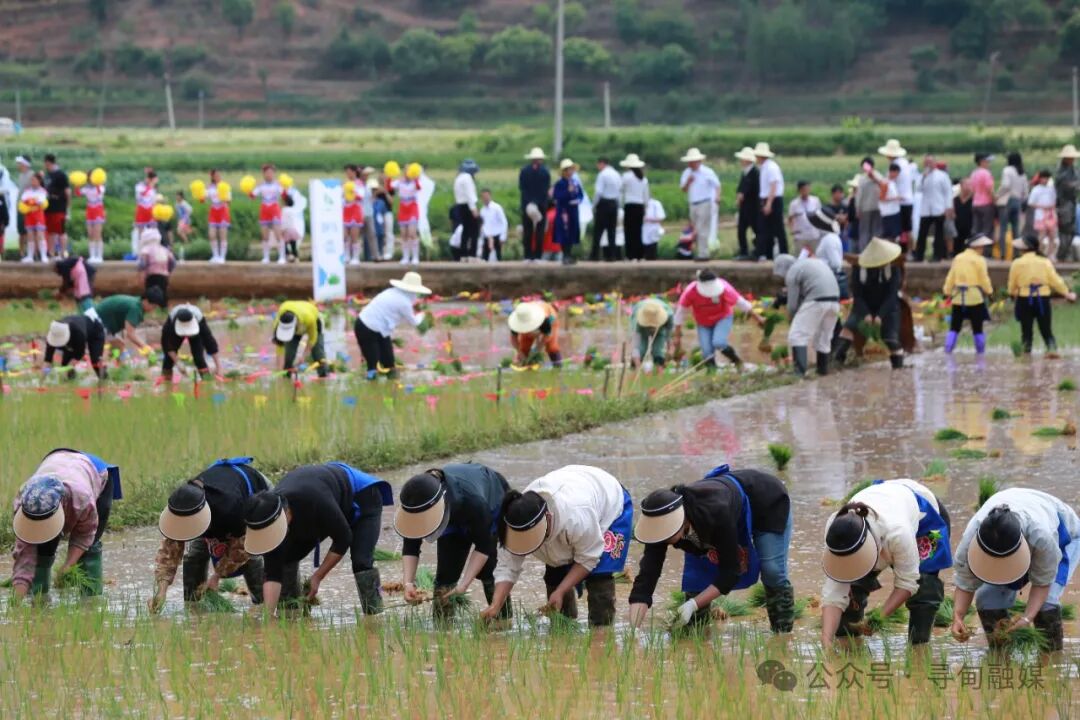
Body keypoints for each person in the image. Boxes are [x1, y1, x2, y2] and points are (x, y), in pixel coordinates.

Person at [629, 464, 793, 632]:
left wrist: (692, 605)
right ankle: (696, 634)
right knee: (697, 579)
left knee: (772, 570)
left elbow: (730, 572)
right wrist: (632, 631)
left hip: (767, 502)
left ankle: (782, 633)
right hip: (714, 516)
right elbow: (647, 577)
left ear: (681, 520)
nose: (663, 539)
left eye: (666, 531)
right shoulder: (659, 524)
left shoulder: (715, 513)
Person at [482, 465, 632, 627]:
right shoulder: (517, 519)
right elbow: (507, 567)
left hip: (609, 502)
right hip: (574, 488)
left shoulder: (576, 516)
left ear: (548, 517)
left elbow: (589, 558)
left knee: (599, 579)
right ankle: (564, 626)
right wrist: (496, 604)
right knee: (555, 574)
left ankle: (601, 632)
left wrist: (561, 591)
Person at [243, 463, 393, 613]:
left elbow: (343, 538)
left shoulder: (314, 500)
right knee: (284, 557)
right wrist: (269, 617)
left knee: (361, 561)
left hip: (361, 496)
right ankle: (293, 612)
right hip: (323, 506)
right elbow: (272, 573)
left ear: (286, 513)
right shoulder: (268, 515)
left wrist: (317, 577)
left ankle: (375, 615)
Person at [820, 478, 952, 650]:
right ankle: (851, 646)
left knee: (925, 587)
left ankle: (919, 648)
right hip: (883, 501)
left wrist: (879, 617)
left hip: (923, 516)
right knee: (853, 592)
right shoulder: (836, 529)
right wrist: (826, 642)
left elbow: (907, 583)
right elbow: (834, 593)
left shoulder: (898, 532)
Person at [950, 488, 1080, 652]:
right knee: (988, 600)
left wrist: (1027, 618)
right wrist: (958, 616)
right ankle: (1002, 655)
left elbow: (1042, 583)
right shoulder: (970, 539)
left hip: (1064, 537)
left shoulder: (1041, 536)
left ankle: (1052, 658)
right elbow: (965, 582)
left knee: (1046, 605)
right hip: (1019, 517)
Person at [151, 457, 271, 612]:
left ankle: (264, 604)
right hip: (214, 502)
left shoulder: (231, 509)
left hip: (255, 491)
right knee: (195, 554)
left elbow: (244, 548)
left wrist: (216, 576)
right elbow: (169, 552)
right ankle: (193, 605)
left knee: (252, 558)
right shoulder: (184, 503)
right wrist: (161, 592)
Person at [394, 464, 511, 621]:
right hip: (453, 514)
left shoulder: (473, 502)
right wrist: (408, 583)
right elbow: (411, 545)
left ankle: (502, 621)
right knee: (446, 576)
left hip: (489, 500)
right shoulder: (417, 500)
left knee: (489, 569)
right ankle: (443, 627)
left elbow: (484, 547)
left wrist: (463, 586)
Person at [10, 449, 121, 599]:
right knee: (42, 545)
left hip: (95, 471)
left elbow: (85, 535)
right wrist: (16, 601)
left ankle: (90, 600)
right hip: (56, 461)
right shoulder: (23, 502)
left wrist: (68, 565)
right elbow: (24, 555)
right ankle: (38, 594)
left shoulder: (82, 499)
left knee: (90, 546)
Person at [834, 238, 905, 369]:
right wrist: (866, 314)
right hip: (863, 306)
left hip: (888, 308)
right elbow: (858, 295)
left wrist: (879, 316)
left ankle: (898, 368)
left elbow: (891, 296)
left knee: (891, 340)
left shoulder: (894, 269)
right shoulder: (858, 268)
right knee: (847, 331)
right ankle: (837, 364)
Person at [674, 269, 764, 370]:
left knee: (719, 342)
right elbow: (680, 313)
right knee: (707, 352)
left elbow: (742, 303)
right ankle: (712, 373)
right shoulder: (690, 291)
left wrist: (758, 318)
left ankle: (738, 362)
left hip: (723, 318)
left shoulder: (724, 288)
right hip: (703, 322)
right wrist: (677, 336)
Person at [1008, 233, 1077, 354]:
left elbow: (1012, 285)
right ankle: (1053, 352)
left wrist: (1013, 294)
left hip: (1025, 300)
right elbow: (1056, 281)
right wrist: (1067, 294)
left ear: (1023, 249)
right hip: (1043, 300)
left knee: (1026, 333)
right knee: (1046, 331)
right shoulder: (1045, 262)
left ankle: (1026, 359)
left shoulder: (1017, 263)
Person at [773, 252, 840, 376]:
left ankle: (799, 373)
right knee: (824, 338)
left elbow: (793, 306)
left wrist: (792, 319)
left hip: (816, 300)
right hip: (834, 301)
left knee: (797, 335)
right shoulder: (809, 264)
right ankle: (822, 371)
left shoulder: (792, 272)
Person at [355, 271, 431, 379]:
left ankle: (392, 386)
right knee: (373, 365)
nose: (416, 295)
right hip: (366, 328)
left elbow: (399, 317)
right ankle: (371, 389)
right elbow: (415, 323)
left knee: (389, 362)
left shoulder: (391, 291)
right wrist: (424, 316)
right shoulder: (404, 303)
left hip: (380, 330)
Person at [942, 234, 993, 354]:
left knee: (954, 327)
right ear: (978, 247)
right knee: (977, 328)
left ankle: (948, 350)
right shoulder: (980, 260)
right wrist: (990, 292)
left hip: (958, 298)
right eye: (982, 247)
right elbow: (984, 279)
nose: (983, 249)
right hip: (974, 298)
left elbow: (951, 277)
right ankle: (980, 353)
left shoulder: (958, 258)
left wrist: (947, 292)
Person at [679, 148, 721, 261]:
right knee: (695, 229)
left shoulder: (707, 172)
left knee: (703, 228)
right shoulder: (687, 173)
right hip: (693, 203)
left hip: (704, 202)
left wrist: (717, 196)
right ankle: (698, 251)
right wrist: (688, 182)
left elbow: (717, 184)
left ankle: (704, 253)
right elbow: (683, 189)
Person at [91, 289, 163, 355]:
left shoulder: (137, 302)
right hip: (95, 320)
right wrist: (146, 348)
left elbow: (125, 326)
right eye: (153, 306)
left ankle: (117, 366)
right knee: (104, 349)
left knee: (118, 346)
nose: (153, 309)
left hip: (100, 320)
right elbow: (130, 334)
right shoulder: (135, 308)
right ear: (146, 301)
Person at [161, 303, 220, 381]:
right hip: (175, 332)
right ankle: (166, 381)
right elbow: (167, 345)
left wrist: (218, 367)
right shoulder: (170, 325)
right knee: (168, 359)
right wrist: (178, 363)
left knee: (199, 358)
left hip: (196, 334)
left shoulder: (200, 321)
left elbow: (210, 343)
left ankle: (207, 380)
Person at [272, 300, 328, 379]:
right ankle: (286, 378)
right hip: (296, 322)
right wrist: (279, 370)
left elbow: (312, 339)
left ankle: (323, 376)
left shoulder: (309, 318)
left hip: (314, 322)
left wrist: (303, 356)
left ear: (297, 323)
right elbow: (279, 346)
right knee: (289, 356)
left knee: (318, 353)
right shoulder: (279, 321)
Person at [43, 314, 106, 380]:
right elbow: (47, 361)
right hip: (76, 333)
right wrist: (41, 381)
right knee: (65, 364)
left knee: (95, 361)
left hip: (95, 330)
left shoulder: (78, 333)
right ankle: (70, 381)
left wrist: (67, 368)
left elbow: (79, 354)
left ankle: (105, 381)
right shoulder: (54, 333)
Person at [915, 154, 953, 262]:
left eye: (930, 162)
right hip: (926, 209)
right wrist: (923, 177)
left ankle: (938, 255)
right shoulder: (921, 176)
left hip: (939, 208)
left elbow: (948, 192)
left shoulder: (942, 175)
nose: (928, 164)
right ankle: (919, 255)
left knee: (939, 234)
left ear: (934, 163)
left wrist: (948, 207)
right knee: (922, 233)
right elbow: (918, 189)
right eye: (926, 162)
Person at [878, 139, 914, 247]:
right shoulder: (905, 162)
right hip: (908, 199)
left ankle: (903, 251)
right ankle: (910, 250)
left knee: (900, 230)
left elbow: (887, 182)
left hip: (899, 202)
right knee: (907, 229)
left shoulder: (895, 166)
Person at [754, 142, 786, 260]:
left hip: (773, 199)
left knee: (778, 228)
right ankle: (766, 253)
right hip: (766, 198)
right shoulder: (764, 167)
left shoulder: (771, 167)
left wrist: (769, 203)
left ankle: (783, 253)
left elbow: (774, 185)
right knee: (765, 228)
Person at [519, 147, 551, 262]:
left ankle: (527, 255)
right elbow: (545, 190)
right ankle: (537, 256)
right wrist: (536, 203)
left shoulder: (524, 171)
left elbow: (522, 188)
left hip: (526, 204)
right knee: (539, 231)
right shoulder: (545, 172)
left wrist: (529, 203)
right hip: (541, 205)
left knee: (527, 231)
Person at [507, 300, 562, 367]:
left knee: (552, 347)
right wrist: (519, 352)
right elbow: (513, 338)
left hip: (550, 318)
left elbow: (547, 335)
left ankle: (558, 367)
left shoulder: (545, 318)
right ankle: (526, 366)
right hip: (534, 319)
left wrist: (538, 348)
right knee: (524, 348)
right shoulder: (516, 319)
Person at [252, 164, 286, 264]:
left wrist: (285, 189)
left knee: (277, 233)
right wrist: (248, 189)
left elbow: (285, 196)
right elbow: (253, 195)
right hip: (264, 210)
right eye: (266, 173)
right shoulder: (261, 185)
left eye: (271, 172)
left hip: (274, 210)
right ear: (263, 174)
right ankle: (266, 257)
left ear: (274, 174)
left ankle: (282, 257)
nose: (269, 174)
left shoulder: (278, 185)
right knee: (264, 234)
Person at [995, 152, 1027, 257]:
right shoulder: (1022, 172)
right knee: (1016, 230)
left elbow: (1006, 185)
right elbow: (1025, 191)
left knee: (1003, 228)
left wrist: (998, 195)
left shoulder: (1007, 170)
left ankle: (1003, 254)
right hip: (1017, 201)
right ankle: (1016, 254)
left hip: (1007, 201)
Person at [553, 159, 583, 265]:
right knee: (564, 233)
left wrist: (578, 200)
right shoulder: (560, 183)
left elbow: (580, 194)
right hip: (564, 211)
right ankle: (565, 255)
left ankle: (569, 254)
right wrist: (567, 192)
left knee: (572, 232)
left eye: (571, 169)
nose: (570, 172)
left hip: (573, 210)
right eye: (568, 170)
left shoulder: (575, 182)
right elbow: (557, 196)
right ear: (564, 171)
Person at [630, 297, 674, 370]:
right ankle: (634, 368)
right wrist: (638, 365)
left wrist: (670, 351)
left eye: (653, 326)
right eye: (650, 326)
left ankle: (659, 369)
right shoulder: (637, 319)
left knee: (658, 350)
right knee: (641, 349)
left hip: (660, 329)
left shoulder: (668, 315)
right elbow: (635, 345)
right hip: (642, 329)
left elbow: (669, 336)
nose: (652, 329)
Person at [591, 157, 622, 261]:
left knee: (598, 231)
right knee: (611, 231)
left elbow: (598, 192)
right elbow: (619, 192)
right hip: (614, 204)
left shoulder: (602, 174)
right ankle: (611, 256)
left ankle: (594, 255)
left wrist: (593, 205)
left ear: (602, 163)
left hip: (604, 204)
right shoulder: (616, 174)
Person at [620, 153, 648, 262]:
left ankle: (630, 255)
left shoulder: (626, 176)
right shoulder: (643, 178)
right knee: (638, 231)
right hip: (640, 206)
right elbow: (646, 195)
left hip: (630, 205)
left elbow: (621, 191)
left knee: (629, 231)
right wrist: (645, 208)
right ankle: (640, 255)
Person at [394, 163, 423, 265]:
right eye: (405, 170)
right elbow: (390, 186)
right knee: (403, 234)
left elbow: (419, 188)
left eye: (409, 170)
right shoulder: (400, 182)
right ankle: (405, 257)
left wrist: (416, 178)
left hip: (412, 208)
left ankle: (415, 256)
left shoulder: (416, 182)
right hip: (403, 208)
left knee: (412, 233)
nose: (407, 172)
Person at [1055, 144, 1080, 262]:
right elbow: (1066, 184)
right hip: (1063, 205)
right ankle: (1063, 254)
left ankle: (1066, 253)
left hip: (1071, 203)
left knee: (1071, 229)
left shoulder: (1073, 170)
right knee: (1065, 229)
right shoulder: (1061, 171)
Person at [137, 227, 176, 302]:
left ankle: (151, 308)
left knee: (151, 294)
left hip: (151, 275)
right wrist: (168, 271)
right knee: (163, 293)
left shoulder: (146, 249)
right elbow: (173, 262)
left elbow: (143, 264)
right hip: (164, 275)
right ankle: (163, 309)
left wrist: (140, 272)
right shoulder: (164, 249)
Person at [43, 154, 71, 258]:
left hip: (59, 208)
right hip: (48, 208)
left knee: (61, 231)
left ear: (48, 163)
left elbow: (68, 192)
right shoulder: (47, 175)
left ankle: (63, 252)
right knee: (50, 232)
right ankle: (51, 252)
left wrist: (67, 210)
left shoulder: (61, 175)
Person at [452, 159, 480, 262]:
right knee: (474, 231)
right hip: (468, 206)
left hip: (460, 206)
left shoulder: (458, 178)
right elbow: (470, 194)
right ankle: (472, 255)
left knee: (465, 231)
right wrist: (474, 209)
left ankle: (463, 255)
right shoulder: (467, 178)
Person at [734, 147, 759, 260]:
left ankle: (758, 251)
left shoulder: (754, 173)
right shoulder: (745, 172)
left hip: (752, 206)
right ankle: (743, 251)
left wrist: (740, 196)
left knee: (756, 230)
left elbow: (747, 189)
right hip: (745, 207)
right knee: (741, 230)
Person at [1027, 169, 1059, 259]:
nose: (1045, 180)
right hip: (1040, 215)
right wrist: (1042, 206)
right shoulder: (1036, 189)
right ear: (1040, 179)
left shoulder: (1051, 189)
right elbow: (1031, 203)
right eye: (1043, 178)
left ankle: (1050, 254)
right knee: (1042, 235)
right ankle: (1040, 253)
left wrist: (1052, 206)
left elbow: (1055, 200)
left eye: (1047, 178)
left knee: (1052, 235)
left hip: (1051, 214)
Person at [76, 174, 107, 264]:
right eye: (89, 178)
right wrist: (77, 184)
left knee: (97, 234)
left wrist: (97, 182)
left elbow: (99, 192)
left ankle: (99, 256)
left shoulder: (101, 187)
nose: (90, 180)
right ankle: (92, 256)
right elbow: (78, 194)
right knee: (90, 234)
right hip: (89, 212)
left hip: (98, 211)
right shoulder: (87, 188)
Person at [20, 171, 49, 262]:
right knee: (30, 236)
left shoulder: (43, 191)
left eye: (34, 180)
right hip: (29, 215)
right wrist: (32, 201)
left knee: (40, 235)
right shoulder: (27, 190)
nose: (32, 181)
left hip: (38, 215)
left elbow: (41, 201)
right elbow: (23, 200)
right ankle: (30, 256)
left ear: (39, 181)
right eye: (31, 180)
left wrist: (31, 201)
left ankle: (44, 256)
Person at [854, 157, 882, 252]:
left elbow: (859, 195)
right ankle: (874, 251)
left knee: (864, 232)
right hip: (877, 207)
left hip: (866, 209)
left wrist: (858, 209)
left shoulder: (862, 179)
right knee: (876, 231)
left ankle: (865, 252)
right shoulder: (879, 176)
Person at [205, 169, 231, 263]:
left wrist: (225, 200)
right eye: (215, 175)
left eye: (219, 175)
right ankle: (215, 255)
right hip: (213, 211)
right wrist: (201, 195)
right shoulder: (209, 187)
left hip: (223, 210)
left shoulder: (224, 186)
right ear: (212, 177)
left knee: (222, 234)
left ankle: (222, 257)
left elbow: (229, 200)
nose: (217, 177)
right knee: (211, 234)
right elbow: (203, 198)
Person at [787, 180, 822, 251]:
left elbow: (820, 216)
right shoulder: (794, 204)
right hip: (800, 236)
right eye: (804, 190)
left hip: (814, 235)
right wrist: (792, 230)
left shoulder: (815, 201)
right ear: (799, 190)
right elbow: (790, 218)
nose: (806, 191)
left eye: (807, 189)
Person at [970, 153, 996, 240]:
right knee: (987, 230)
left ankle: (975, 249)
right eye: (987, 161)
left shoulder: (973, 173)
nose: (989, 163)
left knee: (976, 230)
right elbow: (990, 190)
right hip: (986, 205)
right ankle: (986, 252)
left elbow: (972, 190)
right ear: (982, 162)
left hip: (975, 204)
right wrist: (995, 200)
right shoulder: (986, 173)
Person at [343, 164, 365, 265]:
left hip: (355, 210)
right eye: (346, 172)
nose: (347, 174)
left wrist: (353, 192)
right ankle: (346, 256)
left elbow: (361, 196)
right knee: (345, 235)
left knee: (354, 236)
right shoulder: (345, 184)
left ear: (354, 172)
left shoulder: (359, 183)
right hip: (346, 210)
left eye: (349, 172)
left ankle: (355, 257)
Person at [479, 188, 508, 262]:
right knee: (484, 258)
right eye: (483, 197)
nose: (485, 198)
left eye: (486, 196)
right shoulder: (482, 210)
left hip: (497, 235)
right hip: (487, 236)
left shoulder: (496, 208)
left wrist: (503, 236)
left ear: (490, 196)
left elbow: (504, 222)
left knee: (498, 257)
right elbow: (483, 225)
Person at [877, 163, 903, 241]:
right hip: (888, 213)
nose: (897, 175)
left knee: (895, 235)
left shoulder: (892, 182)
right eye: (897, 173)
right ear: (892, 172)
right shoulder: (885, 183)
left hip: (894, 212)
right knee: (889, 236)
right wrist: (894, 198)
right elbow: (881, 198)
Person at [15, 155, 33, 262]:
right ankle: (21, 253)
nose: (18, 165)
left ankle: (28, 253)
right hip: (20, 206)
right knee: (21, 231)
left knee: (28, 231)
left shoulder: (32, 175)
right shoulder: (21, 175)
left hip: (28, 208)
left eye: (20, 163)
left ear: (25, 164)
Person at [359, 166, 380, 262]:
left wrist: (375, 193)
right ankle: (354, 256)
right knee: (355, 236)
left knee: (372, 235)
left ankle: (375, 256)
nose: (366, 176)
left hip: (368, 213)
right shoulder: (357, 185)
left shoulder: (369, 185)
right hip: (358, 214)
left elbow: (371, 199)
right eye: (364, 175)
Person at [280, 188, 305, 263]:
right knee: (293, 244)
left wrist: (282, 230)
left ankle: (288, 256)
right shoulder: (293, 211)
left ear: (285, 203)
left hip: (287, 230)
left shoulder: (284, 211)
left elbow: (284, 222)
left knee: (284, 244)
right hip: (293, 230)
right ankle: (296, 257)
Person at [134, 169, 159, 243]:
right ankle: (141, 252)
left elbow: (154, 201)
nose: (154, 182)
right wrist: (150, 186)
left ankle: (153, 251)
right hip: (141, 211)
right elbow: (141, 196)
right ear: (149, 179)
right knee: (140, 234)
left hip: (150, 212)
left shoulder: (153, 189)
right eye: (154, 180)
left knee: (153, 233)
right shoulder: (139, 186)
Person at [952, 176, 974, 256]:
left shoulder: (974, 200)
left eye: (970, 185)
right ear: (961, 185)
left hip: (970, 230)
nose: (969, 187)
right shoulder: (955, 200)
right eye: (967, 184)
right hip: (957, 231)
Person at [642, 195, 666, 261]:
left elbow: (661, 218)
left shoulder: (656, 203)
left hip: (653, 232)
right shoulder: (639, 203)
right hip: (642, 233)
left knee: (652, 255)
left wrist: (648, 219)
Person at [174, 191, 193, 257]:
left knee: (179, 231)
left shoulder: (184, 203)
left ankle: (187, 243)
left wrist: (186, 217)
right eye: (176, 195)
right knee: (183, 232)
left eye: (178, 195)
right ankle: (187, 242)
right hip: (181, 219)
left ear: (181, 196)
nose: (176, 197)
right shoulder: (176, 204)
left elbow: (190, 210)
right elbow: (177, 213)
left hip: (185, 219)